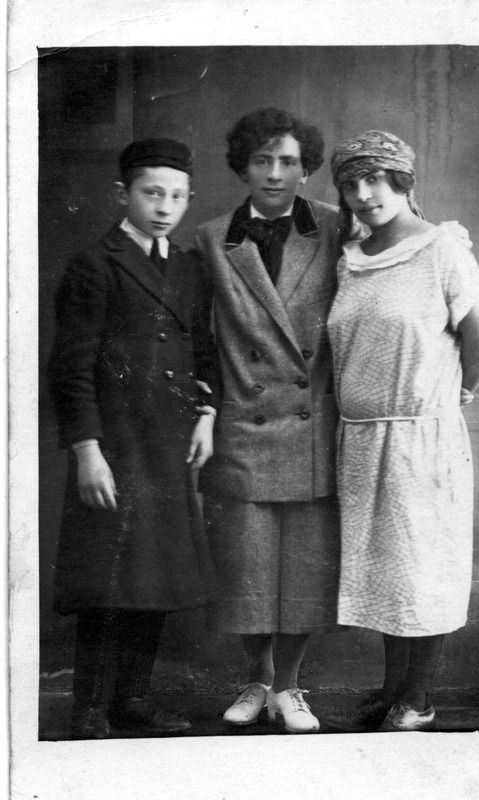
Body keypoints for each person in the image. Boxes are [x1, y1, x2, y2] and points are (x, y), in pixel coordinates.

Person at [325, 130, 479, 731]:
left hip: (420, 439)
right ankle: (393, 688)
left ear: (403, 182)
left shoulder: (441, 250)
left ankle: (419, 700)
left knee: (422, 568)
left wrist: (459, 394)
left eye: (375, 180)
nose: (363, 194)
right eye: (351, 184)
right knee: (386, 572)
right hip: (361, 439)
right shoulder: (351, 258)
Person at [48, 138, 221, 739]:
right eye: (152, 193)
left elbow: (205, 350)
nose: (165, 206)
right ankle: (90, 708)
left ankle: (133, 701)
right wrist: (86, 450)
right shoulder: (95, 265)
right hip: (115, 445)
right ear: (124, 194)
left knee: (154, 578)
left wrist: (207, 413)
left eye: (176, 196)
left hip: (167, 445)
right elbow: (69, 370)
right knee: (108, 581)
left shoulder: (191, 267)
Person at [195, 108, 348, 733]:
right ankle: (258, 679)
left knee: (306, 565)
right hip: (244, 422)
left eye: (288, 161)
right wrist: (207, 408)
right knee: (248, 566)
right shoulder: (211, 238)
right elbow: (198, 339)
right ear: (243, 165)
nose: (275, 173)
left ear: (306, 167)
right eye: (262, 160)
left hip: (313, 425)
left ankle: (290, 687)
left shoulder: (338, 228)